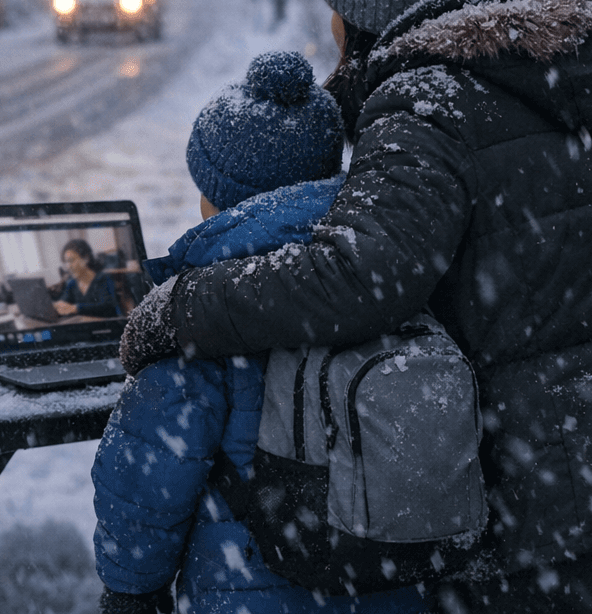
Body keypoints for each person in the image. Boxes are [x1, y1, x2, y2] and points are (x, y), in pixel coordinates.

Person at [119, 0, 592, 613]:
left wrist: (182, 308)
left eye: (335, 10)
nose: (330, 31)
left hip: (559, 509)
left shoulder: (426, 106)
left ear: (365, 16)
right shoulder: (544, 78)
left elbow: (357, 277)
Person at [93, 50, 429, 614]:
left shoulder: (202, 312)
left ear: (220, 198)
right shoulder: (382, 270)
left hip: (247, 593)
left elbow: (146, 482)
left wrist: (131, 592)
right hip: (389, 584)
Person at [53, 240, 119, 317]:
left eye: (71, 260)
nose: (68, 266)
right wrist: (56, 305)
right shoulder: (72, 284)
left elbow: (108, 307)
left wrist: (76, 308)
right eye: (66, 262)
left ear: (86, 259)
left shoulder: (103, 278)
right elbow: (63, 302)